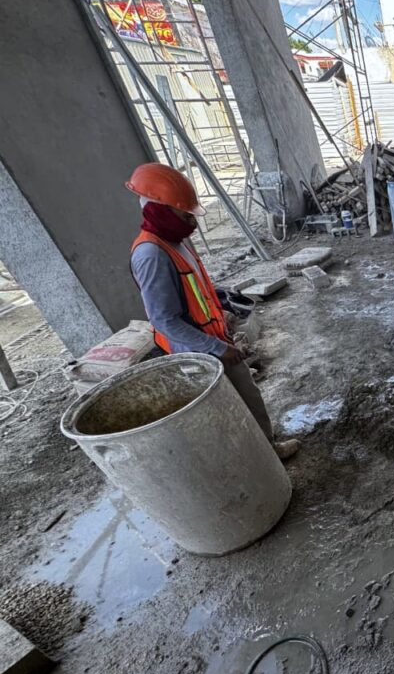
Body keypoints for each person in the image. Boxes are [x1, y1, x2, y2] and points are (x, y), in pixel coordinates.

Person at [125, 163, 299, 461]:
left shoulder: (174, 242)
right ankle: (255, 463)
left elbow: (192, 289)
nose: (192, 223)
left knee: (248, 400)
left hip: (213, 341)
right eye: (185, 215)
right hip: (196, 354)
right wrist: (215, 347)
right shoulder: (151, 255)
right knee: (228, 414)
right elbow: (164, 319)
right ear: (160, 211)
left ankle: (266, 452)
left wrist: (221, 303)